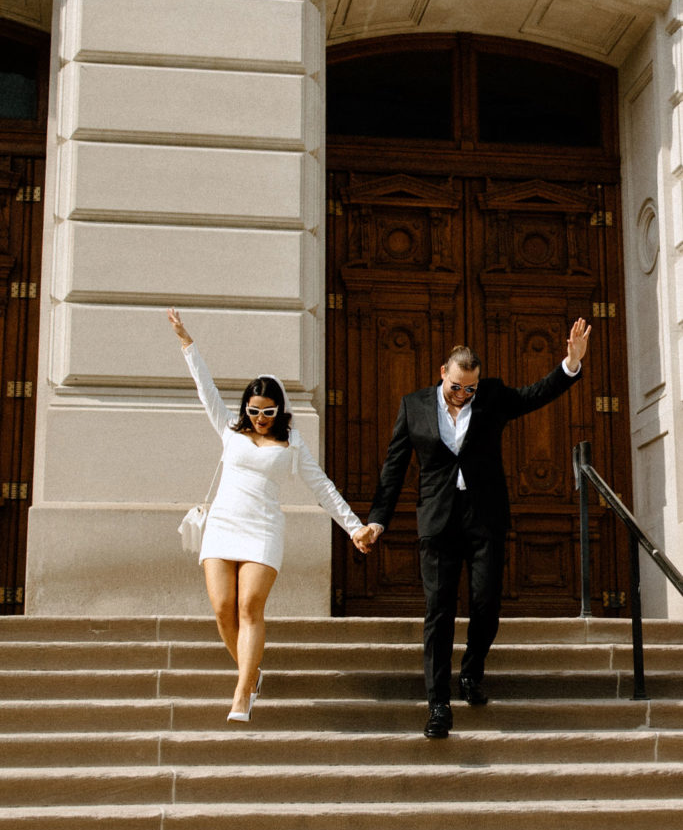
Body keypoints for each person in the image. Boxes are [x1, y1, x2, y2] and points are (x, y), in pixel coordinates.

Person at [355, 318, 591, 739]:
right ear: (442, 374)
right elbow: (394, 469)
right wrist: (377, 520)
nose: (463, 396)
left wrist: (570, 364)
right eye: (456, 387)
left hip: (484, 516)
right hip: (438, 520)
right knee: (438, 610)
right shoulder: (413, 406)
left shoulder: (493, 397)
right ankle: (438, 704)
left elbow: (535, 395)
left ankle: (471, 671)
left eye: (470, 389)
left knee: (485, 604)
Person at [167, 308, 370, 723]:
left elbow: (323, 488)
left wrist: (353, 527)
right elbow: (206, 389)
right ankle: (252, 672)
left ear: (280, 411)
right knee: (223, 608)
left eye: (267, 412)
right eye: (254, 410)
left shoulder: (293, 445)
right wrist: (188, 343)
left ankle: (242, 692)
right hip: (222, 525)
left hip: (263, 530)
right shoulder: (229, 430)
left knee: (249, 607)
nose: (259, 419)